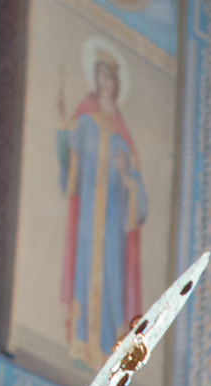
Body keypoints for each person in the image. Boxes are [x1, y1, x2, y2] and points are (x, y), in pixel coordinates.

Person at [58, 45, 147, 363]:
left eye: (109, 76)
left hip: (111, 226)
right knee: (85, 275)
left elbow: (139, 199)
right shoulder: (85, 122)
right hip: (87, 223)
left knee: (111, 281)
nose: (104, 81)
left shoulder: (124, 137)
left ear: (116, 83)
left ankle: (108, 351)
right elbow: (71, 169)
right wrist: (64, 139)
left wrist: (127, 179)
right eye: (100, 75)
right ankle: (81, 344)